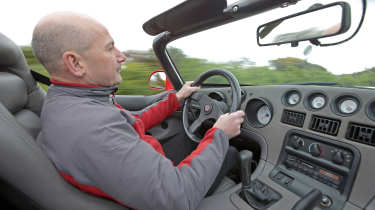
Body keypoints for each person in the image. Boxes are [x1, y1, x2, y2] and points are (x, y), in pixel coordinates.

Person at [33, 12, 245, 210]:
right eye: (109, 48)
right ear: (76, 63)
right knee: (230, 153)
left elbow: (131, 121)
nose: (121, 56)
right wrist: (219, 134)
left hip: (141, 178)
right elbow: (178, 197)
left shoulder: (70, 100)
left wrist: (176, 99)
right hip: (173, 194)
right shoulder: (94, 128)